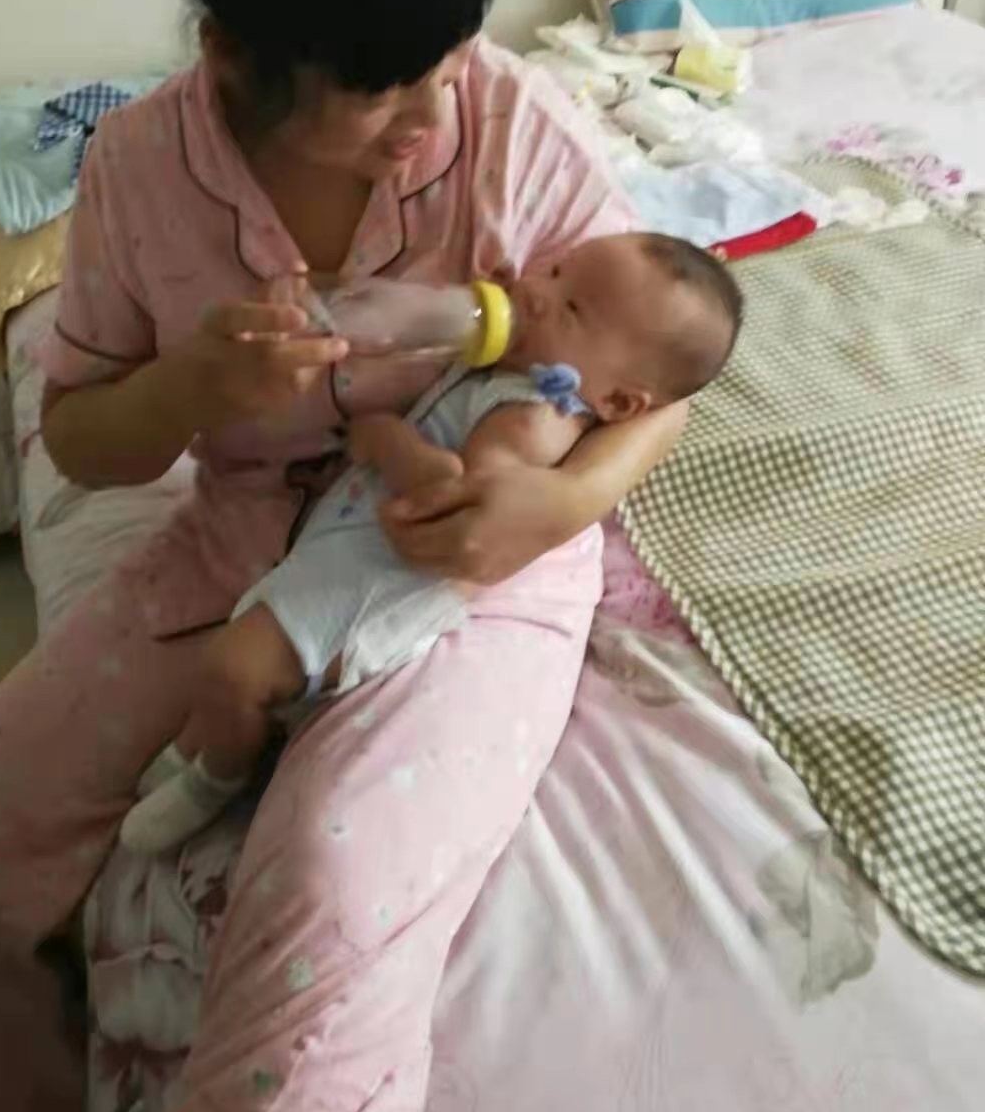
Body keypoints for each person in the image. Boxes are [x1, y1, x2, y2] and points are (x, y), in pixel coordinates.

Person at [0, 0, 688, 1112]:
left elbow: (662, 382)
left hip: (466, 558)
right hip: (242, 537)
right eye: (383, 91)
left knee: (324, 887)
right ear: (231, 58)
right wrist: (188, 387)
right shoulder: (139, 172)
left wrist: (558, 507)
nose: (435, 116)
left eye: (449, 61)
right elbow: (82, 441)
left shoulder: (510, 123)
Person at [123, 232, 741, 854]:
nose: (535, 293)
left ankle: (214, 777)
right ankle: (204, 740)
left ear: (617, 400)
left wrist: (386, 440)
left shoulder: (532, 417)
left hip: (378, 585)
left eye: (573, 308)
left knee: (233, 668)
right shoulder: (507, 369)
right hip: (353, 547)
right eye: (555, 271)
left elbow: (460, 495)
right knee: (247, 650)